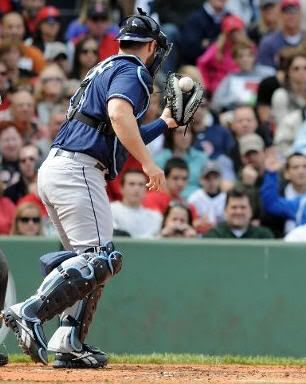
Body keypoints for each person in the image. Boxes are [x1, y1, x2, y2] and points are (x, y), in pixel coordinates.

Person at [2, 10, 178, 369]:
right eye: (155, 47)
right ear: (149, 46)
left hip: (61, 166)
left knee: (86, 261)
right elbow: (118, 114)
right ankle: (30, 311)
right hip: (78, 169)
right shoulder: (132, 70)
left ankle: (69, 340)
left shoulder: (106, 66)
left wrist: (164, 123)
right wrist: (149, 163)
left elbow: (117, 132)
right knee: (101, 258)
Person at [110, 169, 163, 238]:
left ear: (146, 189)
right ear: (121, 188)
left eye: (141, 184)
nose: (136, 188)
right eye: (132, 184)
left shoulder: (156, 217)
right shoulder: (110, 210)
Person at [204, 188, 275, 239]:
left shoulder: (263, 237)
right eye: (234, 207)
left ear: (251, 211)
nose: (238, 212)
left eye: (243, 207)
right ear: (225, 210)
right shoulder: (214, 236)